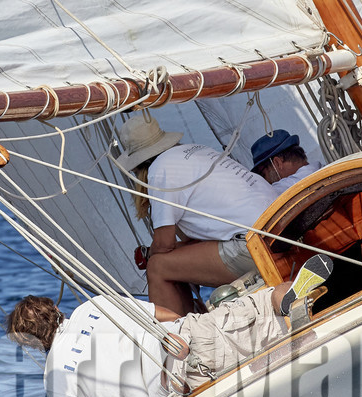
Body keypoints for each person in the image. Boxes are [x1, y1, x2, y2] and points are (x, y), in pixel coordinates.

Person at [6, 257, 334, 397]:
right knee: (258, 306)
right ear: (55, 309)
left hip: (179, 382)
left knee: (251, 378)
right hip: (189, 331)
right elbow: (161, 314)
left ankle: (290, 357)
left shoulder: (54, 377)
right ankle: (286, 300)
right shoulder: (92, 306)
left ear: (32, 342)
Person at [114, 114, 278, 315]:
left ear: (139, 166)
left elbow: (164, 245)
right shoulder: (199, 151)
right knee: (169, 261)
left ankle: (176, 340)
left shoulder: (160, 169)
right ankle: (190, 322)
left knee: (157, 266)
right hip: (280, 232)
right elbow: (197, 239)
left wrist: (149, 255)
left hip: (253, 246)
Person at [249, 129, 321, 194]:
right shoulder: (322, 168)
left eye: (262, 174)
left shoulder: (279, 191)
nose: (264, 181)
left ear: (277, 162)